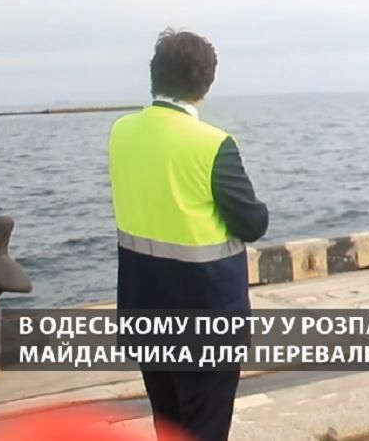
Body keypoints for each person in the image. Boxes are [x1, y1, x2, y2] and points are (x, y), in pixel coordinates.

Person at [109, 29, 269, 441]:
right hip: (206, 320)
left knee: (171, 428)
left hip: (145, 314)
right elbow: (252, 224)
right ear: (207, 82)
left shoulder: (121, 133)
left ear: (154, 75)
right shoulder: (213, 144)